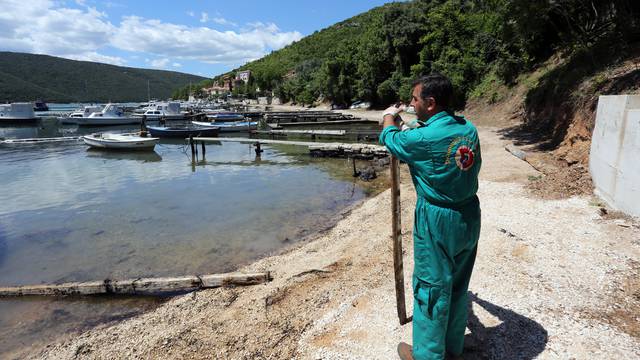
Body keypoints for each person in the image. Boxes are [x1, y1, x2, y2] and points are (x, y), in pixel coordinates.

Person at [379, 73, 482, 360]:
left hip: (438, 219)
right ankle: (452, 347)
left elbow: (391, 139)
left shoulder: (423, 138)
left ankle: (427, 355)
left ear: (431, 102)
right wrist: (410, 121)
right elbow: (426, 133)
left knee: (430, 287)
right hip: (469, 213)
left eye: (414, 99)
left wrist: (390, 116)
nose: (411, 103)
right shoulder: (468, 129)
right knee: (458, 285)